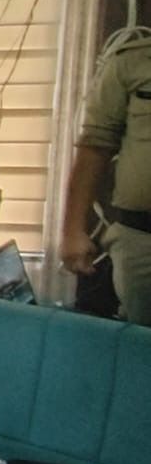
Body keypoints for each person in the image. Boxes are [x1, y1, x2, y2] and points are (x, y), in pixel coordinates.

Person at [61, 34, 151, 324]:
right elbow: (94, 147)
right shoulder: (133, 60)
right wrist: (73, 230)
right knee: (140, 344)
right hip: (142, 240)